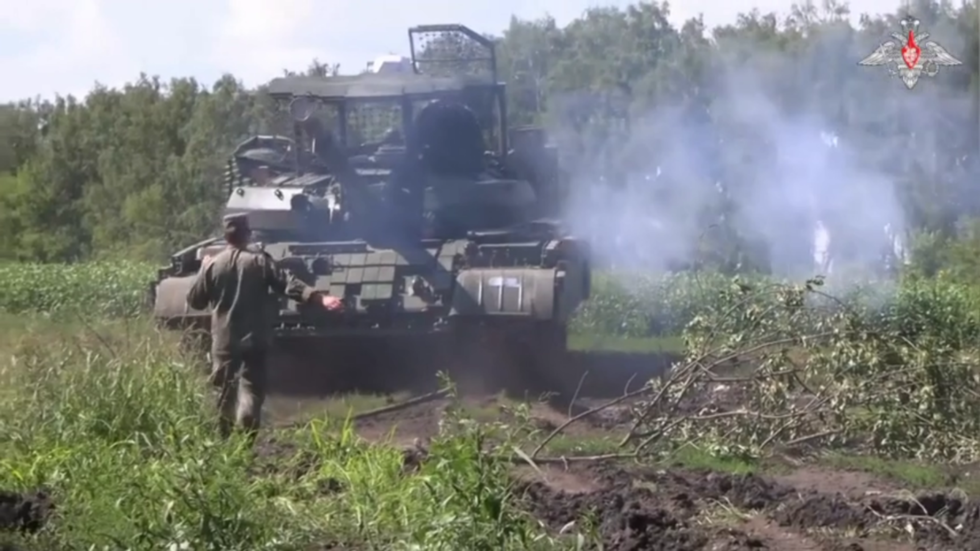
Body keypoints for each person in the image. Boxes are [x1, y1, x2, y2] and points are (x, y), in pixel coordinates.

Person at [186, 213, 344, 441]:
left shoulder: (214, 266)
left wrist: (203, 270)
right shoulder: (259, 261)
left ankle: (223, 444)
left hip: (224, 340)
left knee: (223, 392)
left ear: (226, 236)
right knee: (251, 388)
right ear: (247, 234)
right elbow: (288, 283)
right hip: (255, 338)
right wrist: (319, 299)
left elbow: (195, 300)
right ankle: (246, 437)